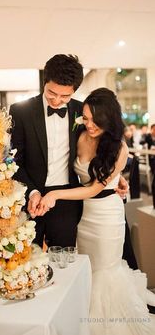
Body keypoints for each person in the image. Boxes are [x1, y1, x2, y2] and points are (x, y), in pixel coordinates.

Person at [36, 88, 155, 334]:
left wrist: (55, 194)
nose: (88, 124)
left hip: (106, 218)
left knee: (103, 272)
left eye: (94, 120)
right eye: (86, 118)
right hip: (83, 215)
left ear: (108, 119)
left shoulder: (119, 148)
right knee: (85, 269)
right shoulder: (80, 134)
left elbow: (92, 189)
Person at [10, 54, 128, 249]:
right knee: (26, 259)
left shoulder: (83, 112)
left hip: (67, 200)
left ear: (75, 90)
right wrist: (32, 193)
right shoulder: (20, 111)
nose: (57, 100)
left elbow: (104, 146)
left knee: (64, 261)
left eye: (65, 96)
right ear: (44, 82)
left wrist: (117, 175)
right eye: (51, 93)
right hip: (30, 198)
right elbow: (14, 160)